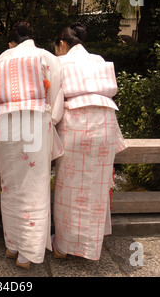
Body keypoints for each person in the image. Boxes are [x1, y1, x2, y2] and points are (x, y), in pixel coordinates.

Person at [0, 21, 63, 269]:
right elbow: (56, 95)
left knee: (10, 185)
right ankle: (29, 251)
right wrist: (51, 121)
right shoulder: (46, 57)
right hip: (35, 123)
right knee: (35, 187)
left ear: (11, 42)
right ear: (31, 38)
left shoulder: (2, 58)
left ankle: (12, 245)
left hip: (6, 125)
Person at [50, 22, 127, 261]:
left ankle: (63, 246)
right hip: (105, 123)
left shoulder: (60, 63)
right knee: (97, 186)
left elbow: (53, 104)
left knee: (68, 187)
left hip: (75, 123)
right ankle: (92, 243)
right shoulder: (99, 60)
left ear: (62, 44)